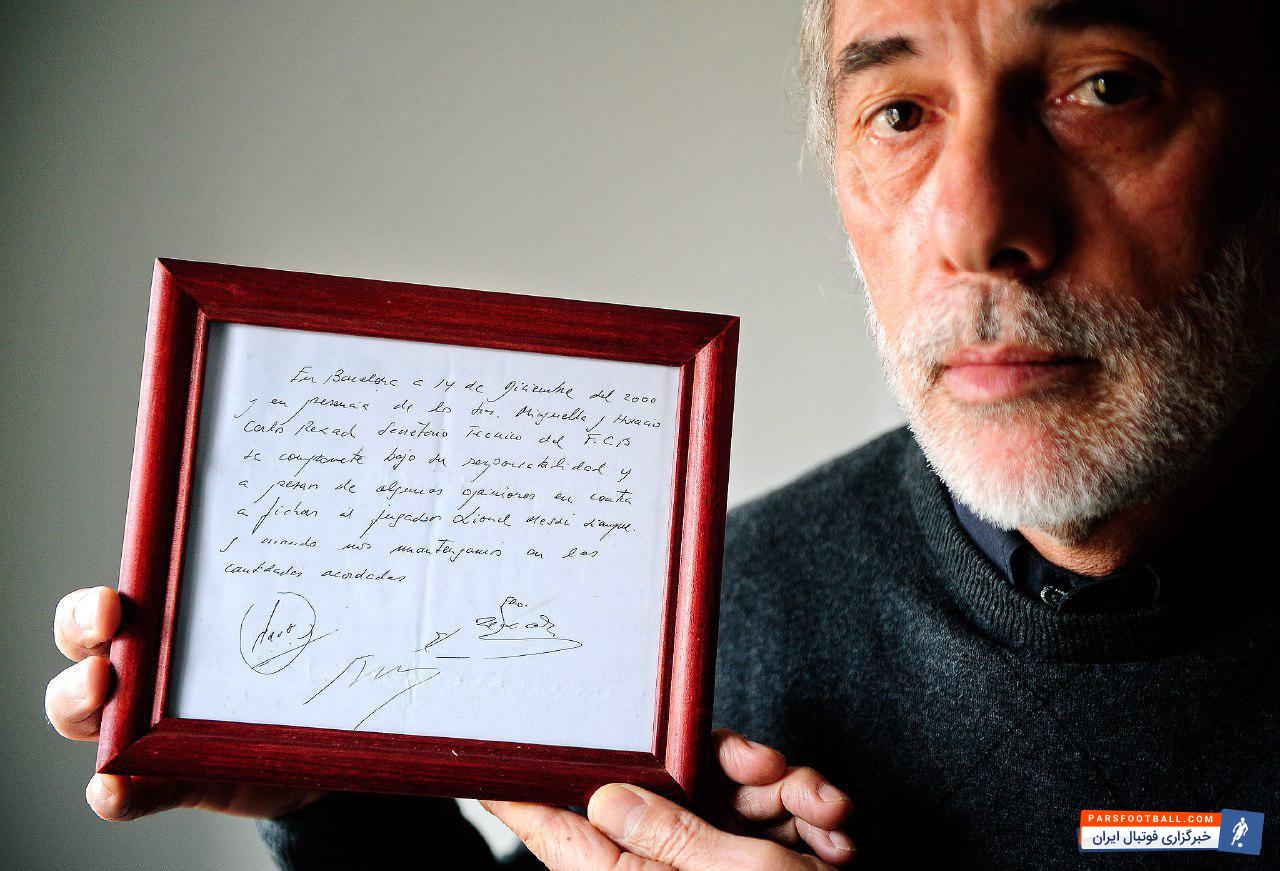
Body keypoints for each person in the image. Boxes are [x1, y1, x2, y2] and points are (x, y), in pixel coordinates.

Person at [45, 0, 1280, 867]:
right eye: (899, 112)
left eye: (1103, 88)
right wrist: (343, 802)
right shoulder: (715, 622)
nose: (973, 224)